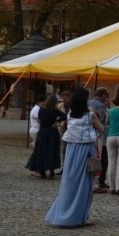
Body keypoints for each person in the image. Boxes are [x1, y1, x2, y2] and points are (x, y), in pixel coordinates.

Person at [45, 88, 105, 227]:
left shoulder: (70, 114)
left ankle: (65, 213)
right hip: (86, 149)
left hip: (72, 149)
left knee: (69, 182)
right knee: (85, 184)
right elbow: (101, 129)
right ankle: (83, 216)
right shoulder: (90, 115)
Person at [27, 95, 67, 179]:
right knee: (51, 151)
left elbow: (41, 120)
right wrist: (56, 121)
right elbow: (65, 116)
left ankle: (42, 171)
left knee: (42, 151)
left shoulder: (41, 109)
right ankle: (51, 171)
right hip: (51, 132)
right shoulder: (54, 110)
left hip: (43, 131)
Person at [87, 87, 110, 193]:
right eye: (106, 96)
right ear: (103, 95)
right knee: (101, 158)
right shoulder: (101, 106)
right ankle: (100, 180)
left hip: (88, 134)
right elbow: (102, 120)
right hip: (99, 136)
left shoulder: (89, 102)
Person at [56, 91, 71, 170]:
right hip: (62, 128)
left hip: (70, 129)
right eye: (62, 98)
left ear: (69, 98)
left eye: (65, 98)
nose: (64, 100)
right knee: (63, 149)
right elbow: (57, 116)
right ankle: (63, 167)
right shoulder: (60, 106)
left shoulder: (72, 106)